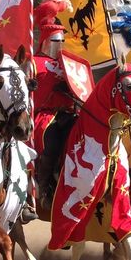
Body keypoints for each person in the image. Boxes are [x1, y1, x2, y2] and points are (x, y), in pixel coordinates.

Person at [30, 16, 78, 214]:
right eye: (55, 41)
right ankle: (45, 188)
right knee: (52, 142)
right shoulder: (33, 62)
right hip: (45, 116)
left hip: (69, 114)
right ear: (46, 41)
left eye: (62, 41)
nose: (60, 45)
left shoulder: (69, 62)